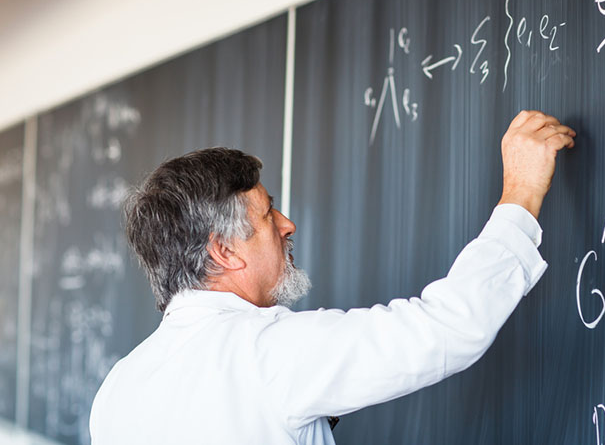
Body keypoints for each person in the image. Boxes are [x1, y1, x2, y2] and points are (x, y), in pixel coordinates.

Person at [89, 110, 576, 444]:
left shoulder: (117, 387)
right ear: (223, 250)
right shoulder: (267, 352)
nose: (287, 225)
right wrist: (522, 194)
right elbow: (447, 328)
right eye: (268, 214)